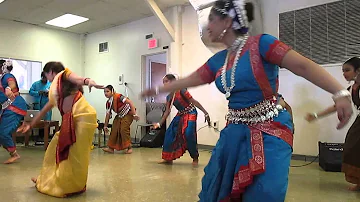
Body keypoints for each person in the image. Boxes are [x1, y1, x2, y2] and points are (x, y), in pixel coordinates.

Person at [141, 0, 353, 201]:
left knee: (266, 192)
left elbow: (303, 66)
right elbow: (191, 79)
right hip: (234, 131)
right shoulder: (218, 60)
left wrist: (340, 93)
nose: (207, 26)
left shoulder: (261, 43)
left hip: (271, 128)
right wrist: (158, 87)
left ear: (227, 21)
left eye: (212, 19)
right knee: (218, 186)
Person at [17, 62, 103, 197]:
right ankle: (46, 180)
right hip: (74, 120)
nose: (47, 78)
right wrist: (30, 124)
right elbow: (44, 110)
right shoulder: (56, 89)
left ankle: (68, 185)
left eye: (46, 74)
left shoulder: (64, 75)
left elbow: (78, 79)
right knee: (55, 147)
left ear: (51, 71)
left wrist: (89, 81)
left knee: (74, 155)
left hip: (82, 118)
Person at [305, 57, 360, 191]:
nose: (344, 74)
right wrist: (316, 115)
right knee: (352, 149)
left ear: (358, 70)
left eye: (347, 70)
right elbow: (337, 106)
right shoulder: (351, 89)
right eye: (343, 71)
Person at [152, 74, 210, 166]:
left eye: (166, 81)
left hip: (191, 112)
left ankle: (195, 157)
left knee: (188, 133)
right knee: (169, 133)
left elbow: (193, 101)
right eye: (163, 82)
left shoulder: (182, 90)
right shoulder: (169, 97)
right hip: (181, 114)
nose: (164, 84)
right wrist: (159, 124)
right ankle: (168, 158)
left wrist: (205, 113)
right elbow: (167, 111)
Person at [0, 59, 27, 164]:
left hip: (14, 106)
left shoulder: (7, 76)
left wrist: (9, 89)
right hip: (7, 107)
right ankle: (13, 152)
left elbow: (11, 84)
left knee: (3, 132)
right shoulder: (2, 78)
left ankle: (14, 154)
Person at [102, 85, 140, 154]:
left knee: (123, 129)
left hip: (128, 113)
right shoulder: (108, 103)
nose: (105, 93)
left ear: (112, 91)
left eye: (107, 91)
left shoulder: (119, 97)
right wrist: (105, 126)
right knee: (114, 129)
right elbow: (107, 114)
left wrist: (135, 114)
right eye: (104, 92)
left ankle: (129, 147)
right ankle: (111, 148)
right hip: (120, 115)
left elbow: (130, 103)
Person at [29, 72, 52, 144]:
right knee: (39, 122)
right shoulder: (36, 84)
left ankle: (46, 138)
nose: (45, 80)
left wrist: (48, 93)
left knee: (47, 122)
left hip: (47, 105)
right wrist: (38, 92)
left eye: (46, 78)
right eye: (44, 78)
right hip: (38, 105)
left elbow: (54, 93)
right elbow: (31, 92)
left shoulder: (50, 84)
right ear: (41, 77)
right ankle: (39, 138)